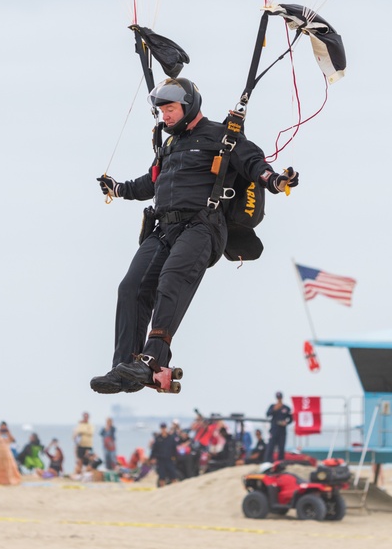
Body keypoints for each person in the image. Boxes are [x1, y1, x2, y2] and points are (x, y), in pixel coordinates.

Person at [89, 77, 299, 393]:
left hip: (203, 227)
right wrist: (118, 189)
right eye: (162, 111)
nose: (165, 116)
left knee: (171, 279)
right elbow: (152, 182)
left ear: (189, 107)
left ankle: (152, 358)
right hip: (163, 228)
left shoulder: (221, 136)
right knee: (131, 286)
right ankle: (126, 366)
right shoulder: (169, 144)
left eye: (170, 109)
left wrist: (276, 180)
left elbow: (255, 164)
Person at [0, 421, 22, 485]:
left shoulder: (8, 434)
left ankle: (8, 480)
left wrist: (8, 432)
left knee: (8, 467)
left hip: (6, 453)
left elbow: (13, 440)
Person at [264, 392, 293, 462]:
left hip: (282, 430)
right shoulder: (272, 406)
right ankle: (268, 460)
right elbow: (268, 414)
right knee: (271, 446)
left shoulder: (286, 408)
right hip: (274, 429)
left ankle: (280, 461)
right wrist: (275, 409)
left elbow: (291, 418)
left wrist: (286, 423)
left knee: (281, 447)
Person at [151, 422, 179, 487]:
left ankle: (175, 488)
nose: (163, 429)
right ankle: (162, 489)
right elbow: (154, 449)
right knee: (161, 476)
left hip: (169, 459)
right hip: (161, 460)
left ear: (166, 428)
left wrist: (175, 457)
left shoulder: (171, 438)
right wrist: (152, 458)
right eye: (162, 428)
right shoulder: (158, 439)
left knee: (173, 475)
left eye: (164, 428)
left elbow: (174, 449)